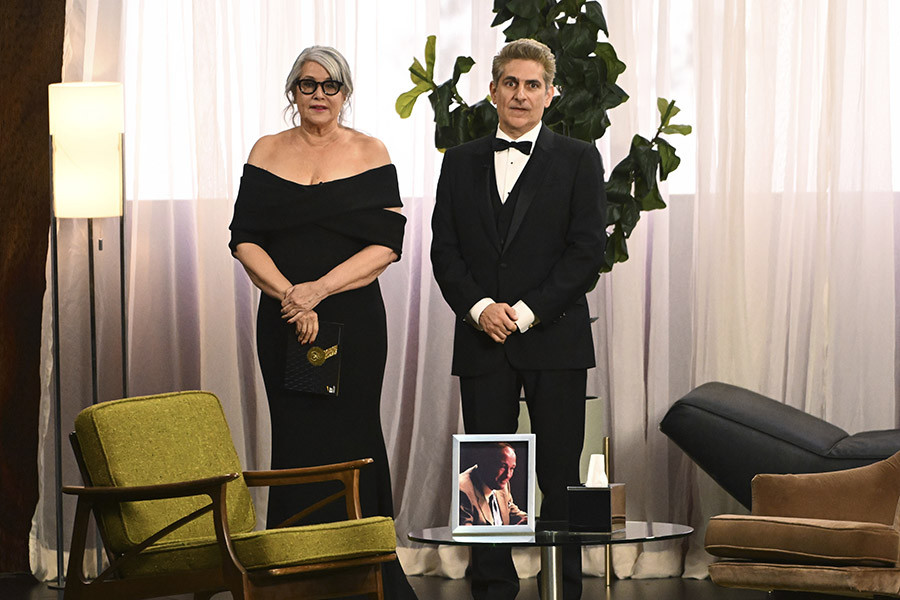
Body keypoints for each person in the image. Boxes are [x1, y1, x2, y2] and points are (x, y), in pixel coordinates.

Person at [229, 45, 417, 599]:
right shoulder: (266, 150)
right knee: (296, 439)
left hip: (352, 320)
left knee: (352, 440)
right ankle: (296, 574)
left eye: (331, 86)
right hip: (284, 319)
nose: (319, 96)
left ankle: (364, 574)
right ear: (293, 91)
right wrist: (292, 296)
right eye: (308, 85)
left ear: (345, 93)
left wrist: (319, 290)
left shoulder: (370, 150)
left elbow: (387, 246)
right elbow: (244, 239)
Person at [431, 38, 607, 600]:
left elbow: (585, 254)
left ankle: (568, 588)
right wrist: (482, 309)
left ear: (550, 95)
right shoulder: (458, 163)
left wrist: (524, 313)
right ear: (492, 90)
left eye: (533, 85)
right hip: (482, 341)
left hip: (554, 338)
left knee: (560, 475)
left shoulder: (580, 159)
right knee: (484, 473)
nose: (521, 94)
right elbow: (444, 250)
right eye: (511, 82)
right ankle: (493, 589)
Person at [458, 443, 528, 526]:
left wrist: (528, 520)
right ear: (485, 462)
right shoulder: (462, 489)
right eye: (503, 466)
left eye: (512, 468)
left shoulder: (502, 483)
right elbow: (466, 534)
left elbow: (511, 511)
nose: (508, 475)